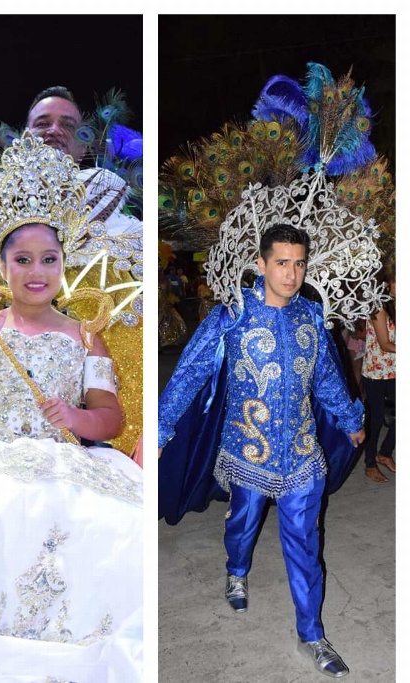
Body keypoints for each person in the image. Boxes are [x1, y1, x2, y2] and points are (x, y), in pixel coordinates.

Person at [0, 134, 143, 680]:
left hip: (62, 461)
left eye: (49, 259)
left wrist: (77, 418)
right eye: (23, 259)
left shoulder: (86, 335)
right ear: (4, 264)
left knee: (112, 525)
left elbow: (111, 418)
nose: (37, 270)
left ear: (63, 264)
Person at [158, 223, 365, 678]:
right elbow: (189, 373)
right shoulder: (231, 316)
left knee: (306, 545)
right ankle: (236, 569)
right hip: (249, 450)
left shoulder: (311, 316)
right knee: (242, 524)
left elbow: (328, 379)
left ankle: (311, 634)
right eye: (282, 263)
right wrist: (159, 429)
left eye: (299, 264)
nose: (291, 274)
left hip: (302, 453)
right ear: (261, 264)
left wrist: (350, 421)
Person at [361, 275, 396, 483]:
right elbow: (384, 344)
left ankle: (384, 453)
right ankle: (370, 464)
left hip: (395, 370)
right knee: (374, 420)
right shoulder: (378, 308)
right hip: (376, 373)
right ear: (387, 284)